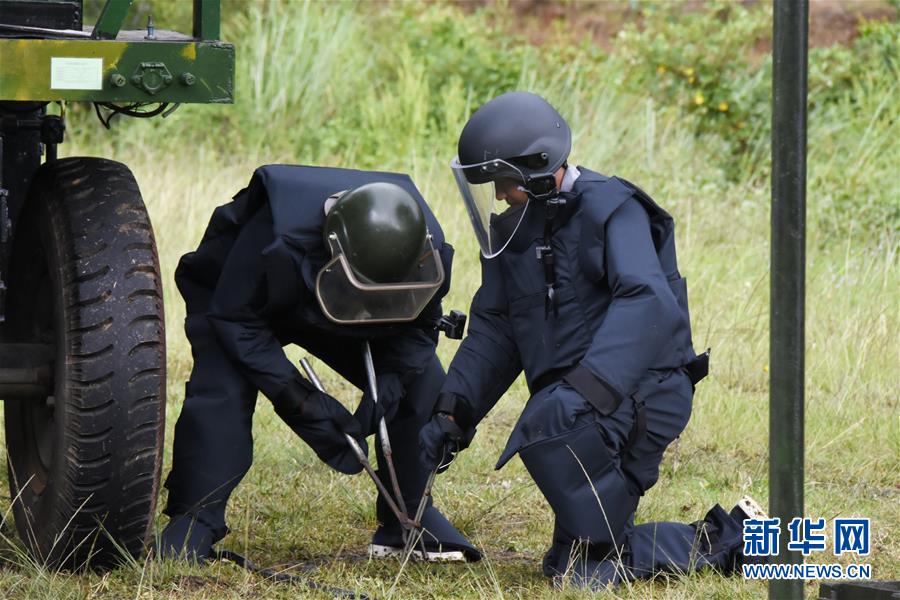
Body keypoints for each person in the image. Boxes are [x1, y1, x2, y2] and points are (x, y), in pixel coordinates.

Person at [419, 91, 761, 589]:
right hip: (581, 408)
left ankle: (734, 540)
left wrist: (584, 390)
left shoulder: (612, 209)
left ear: (539, 167)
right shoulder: (515, 229)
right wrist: (453, 412)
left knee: (553, 437)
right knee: (575, 567)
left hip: (645, 393)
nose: (498, 195)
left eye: (505, 182)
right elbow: (496, 327)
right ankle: (745, 540)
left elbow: (649, 301)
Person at [157, 164, 480, 563]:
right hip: (243, 305)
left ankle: (410, 517)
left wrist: (394, 379)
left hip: (351, 300)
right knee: (221, 392)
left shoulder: (424, 251)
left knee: (426, 384)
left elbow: (423, 326)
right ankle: (194, 519)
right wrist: (299, 399)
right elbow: (234, 320)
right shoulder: (274, 240)